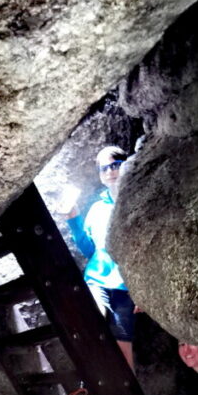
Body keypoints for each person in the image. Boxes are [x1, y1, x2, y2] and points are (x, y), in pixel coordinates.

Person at [62, 146, 136, 369]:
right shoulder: (97, 208)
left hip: (127, 287)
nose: (110, 172)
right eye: (104, 168)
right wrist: (73, 217)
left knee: (123, 348)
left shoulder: (136, 203)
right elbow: (89, 249)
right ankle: (87, 386)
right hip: (97, 279)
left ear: (126, 164)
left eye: (115, 165)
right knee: (93, 321)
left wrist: (144, 292)